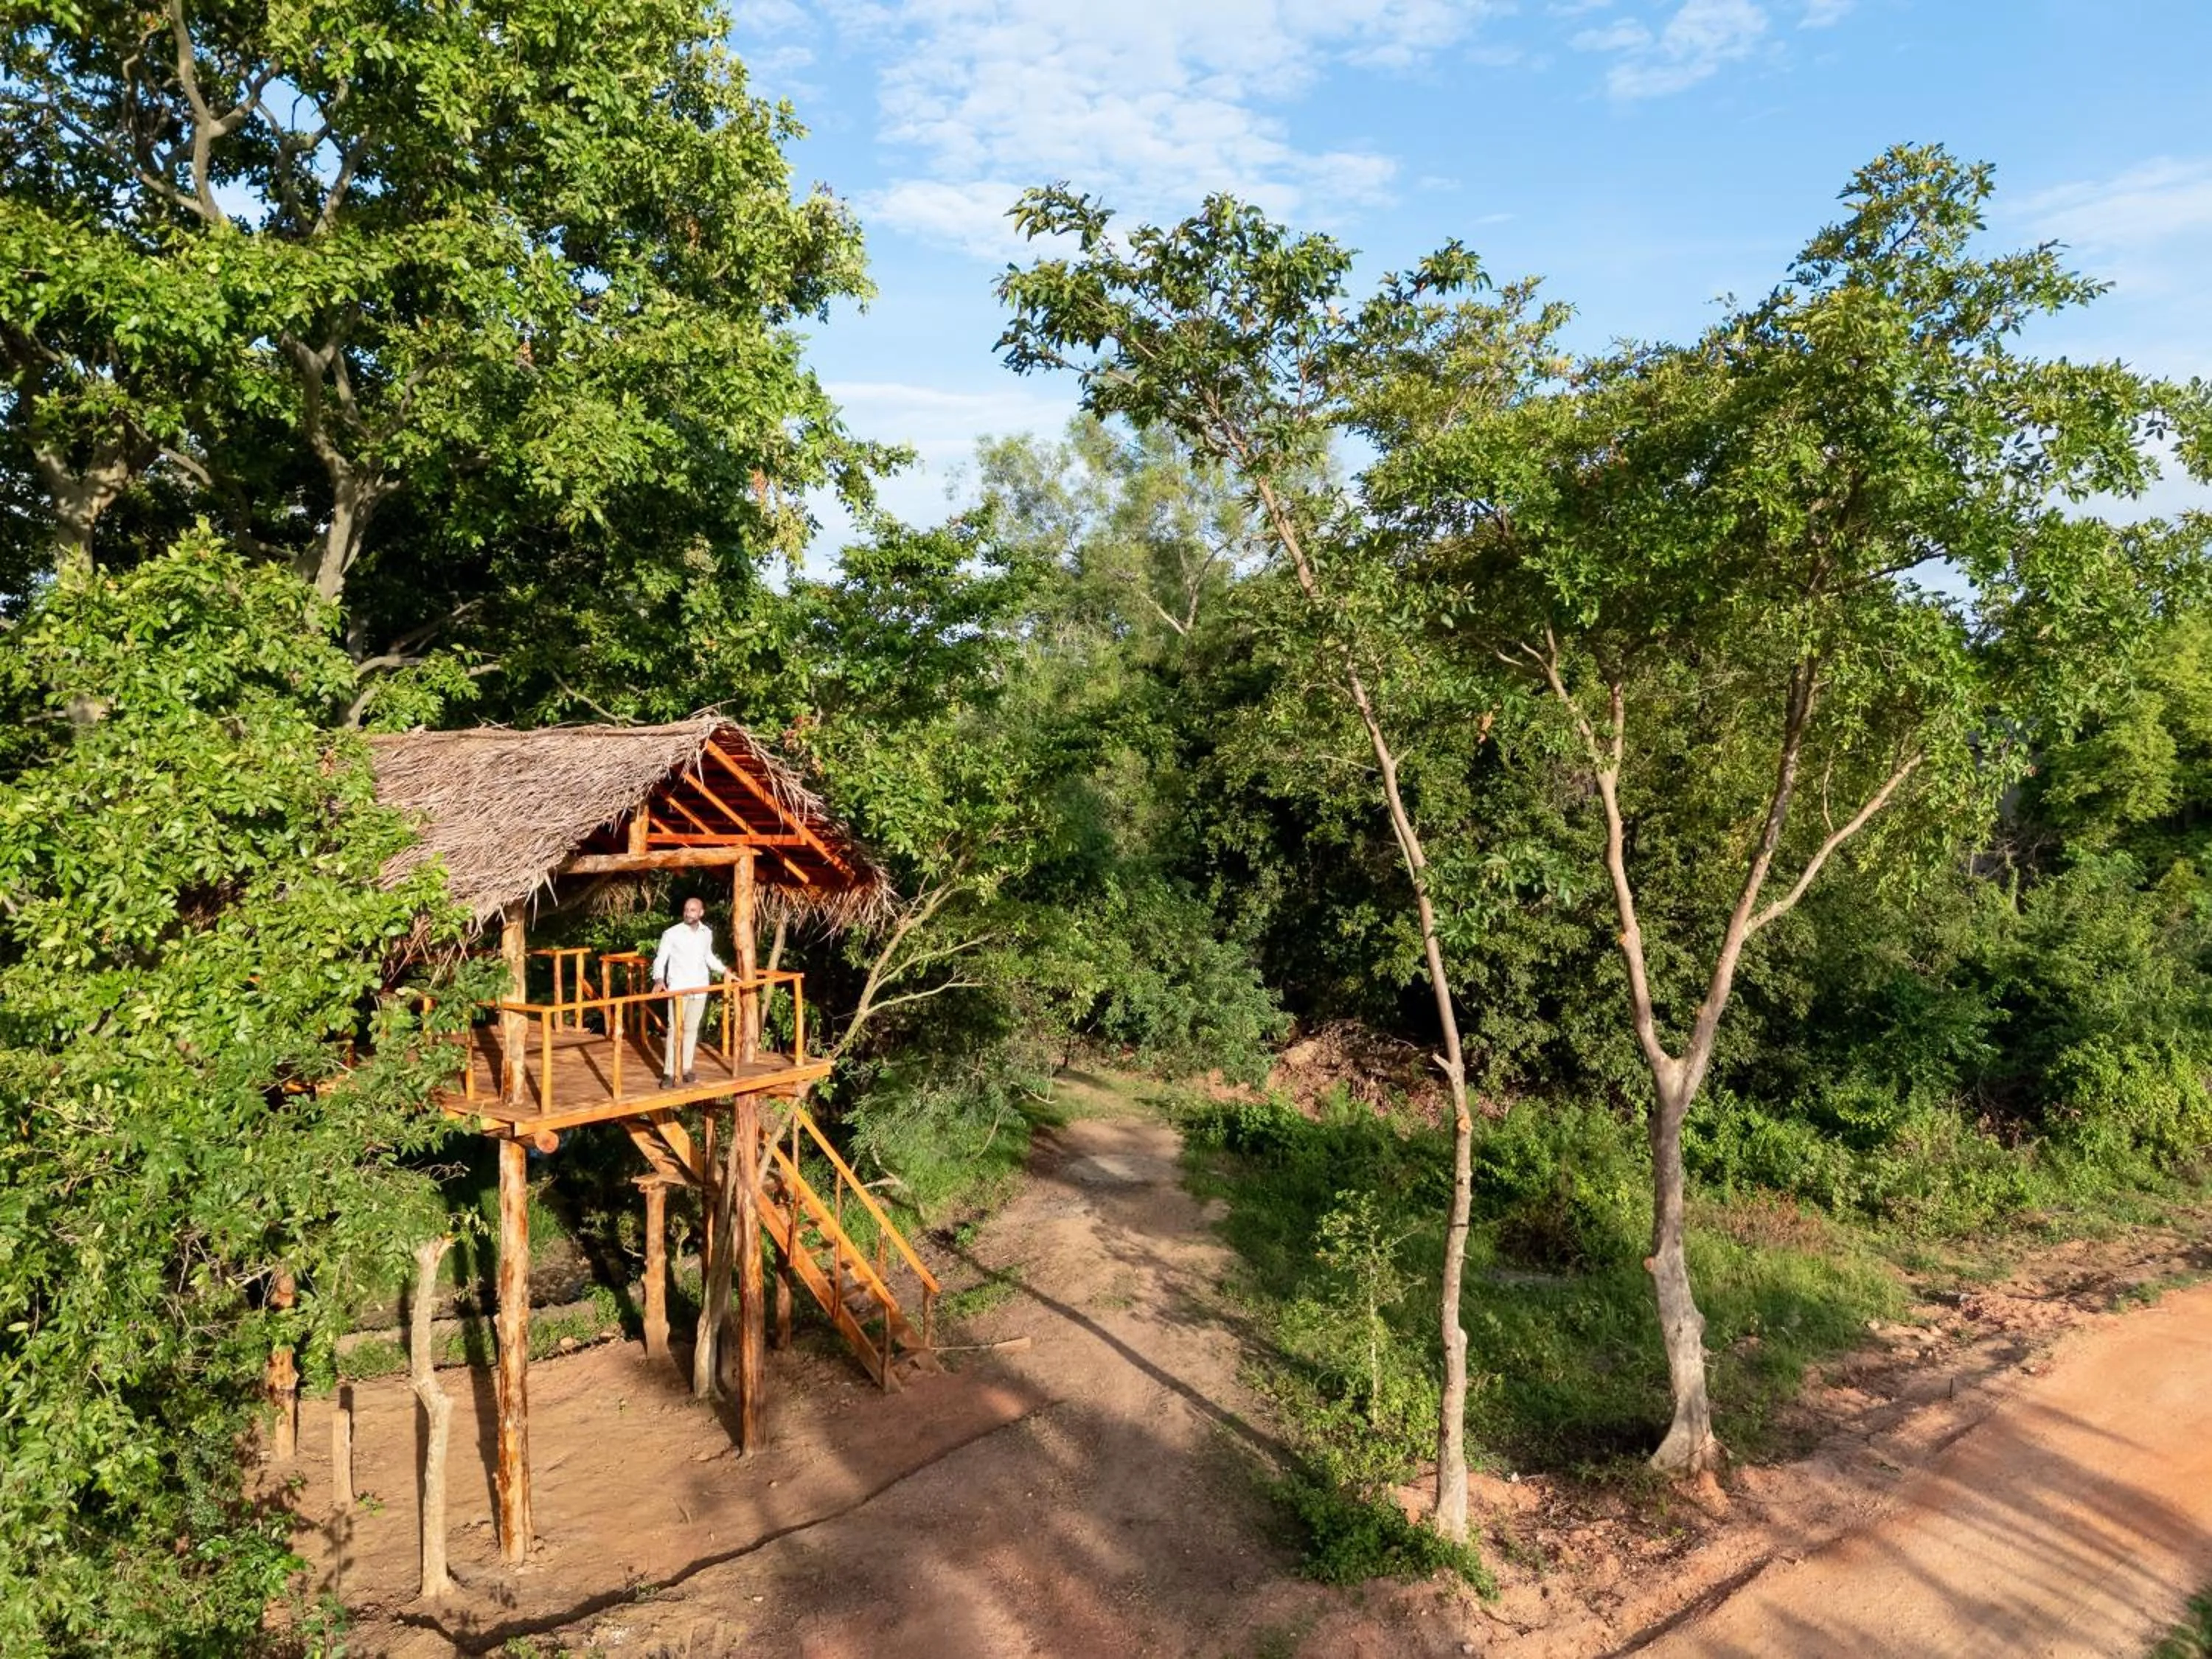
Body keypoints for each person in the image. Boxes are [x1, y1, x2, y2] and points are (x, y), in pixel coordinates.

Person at [650, 894, 726, 1085]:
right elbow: (661, 959)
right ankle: (669, 1073)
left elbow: (708, 956)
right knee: (674, 1029)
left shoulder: (706, 933)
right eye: (686, 910)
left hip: (700, 988)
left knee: (692, 1029)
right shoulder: (672, 934)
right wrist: (659, 978)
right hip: (679, 988)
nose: (688, 913)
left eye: (693, 910)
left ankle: (686, 1068)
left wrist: (725, 971)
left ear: (701, 913)